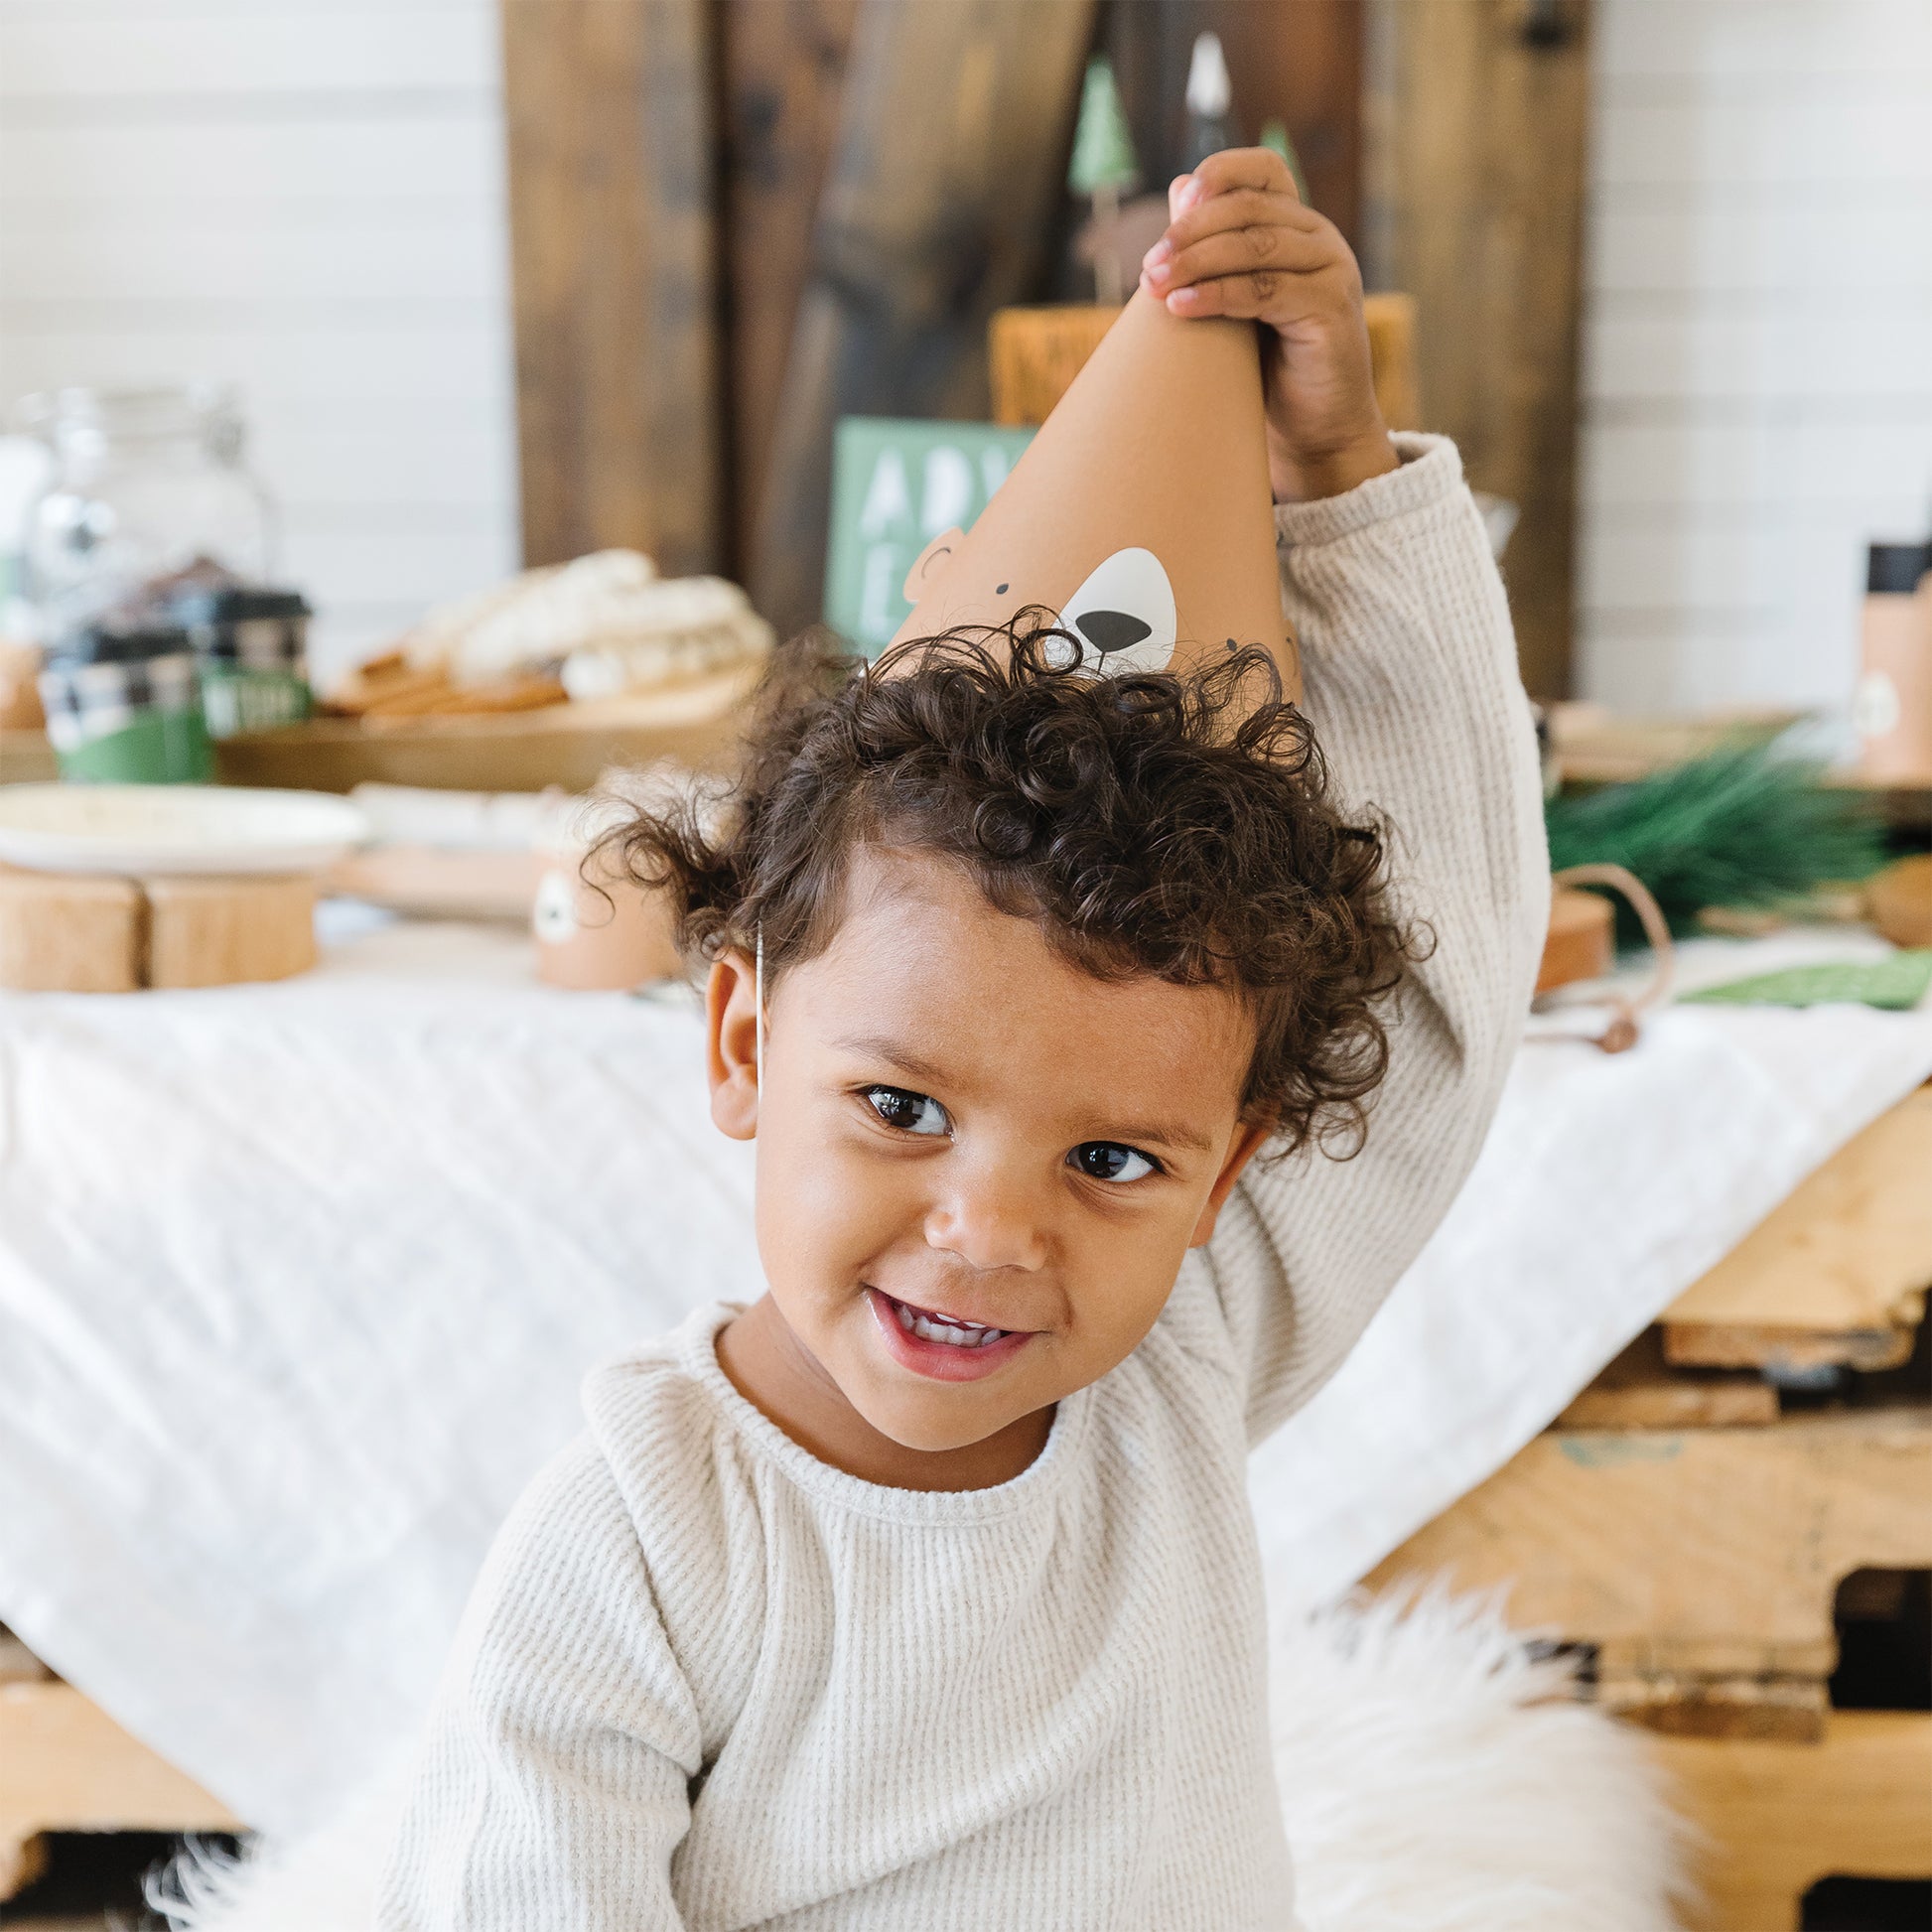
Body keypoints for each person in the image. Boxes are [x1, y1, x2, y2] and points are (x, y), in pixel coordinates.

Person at [377, 147, 1548, 1930]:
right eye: (902, 1105)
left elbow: (1444, 976)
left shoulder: (1171, 1374)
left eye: (1112, 1157)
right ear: (742, 1038)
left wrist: (1343, 482)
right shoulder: (646, 1535)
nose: (993, 1232)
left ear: (1224, 1171)